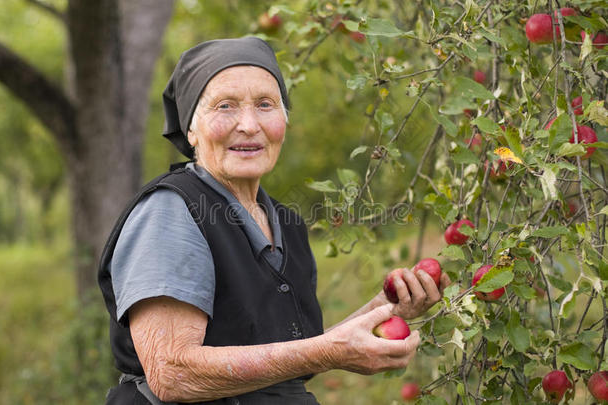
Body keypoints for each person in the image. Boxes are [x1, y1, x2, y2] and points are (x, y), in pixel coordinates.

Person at [98, 37, 450, 405]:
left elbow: (293, 358)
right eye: (225, 106)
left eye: (265, 105)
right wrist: (330, 351)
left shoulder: (287, 223)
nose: (249, 125)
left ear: (284, 120)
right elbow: (173, 374)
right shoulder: (172, 212)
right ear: (190, 130)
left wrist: (384, 310)